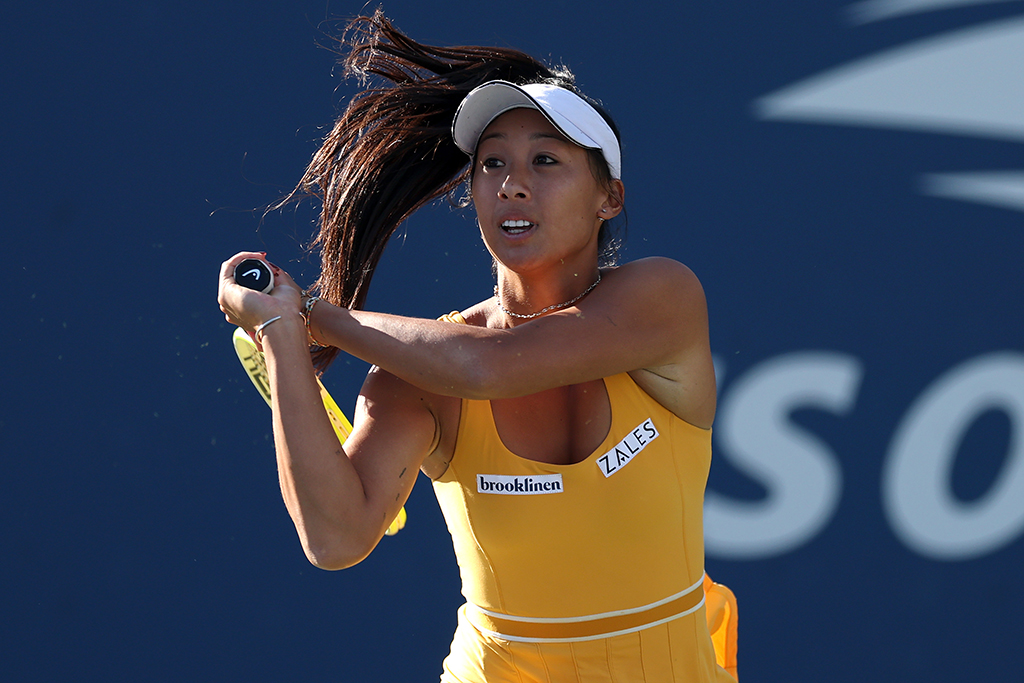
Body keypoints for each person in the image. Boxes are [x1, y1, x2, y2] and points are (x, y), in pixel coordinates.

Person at [218, 11, 737, 682]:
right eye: (493, 164)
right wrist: (282, 333)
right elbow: (336, 538)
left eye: (545, 160)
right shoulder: (415, 375)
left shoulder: (663, 298)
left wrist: (314, 315)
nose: (512, 183)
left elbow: (491, 367)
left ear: (609, 197)